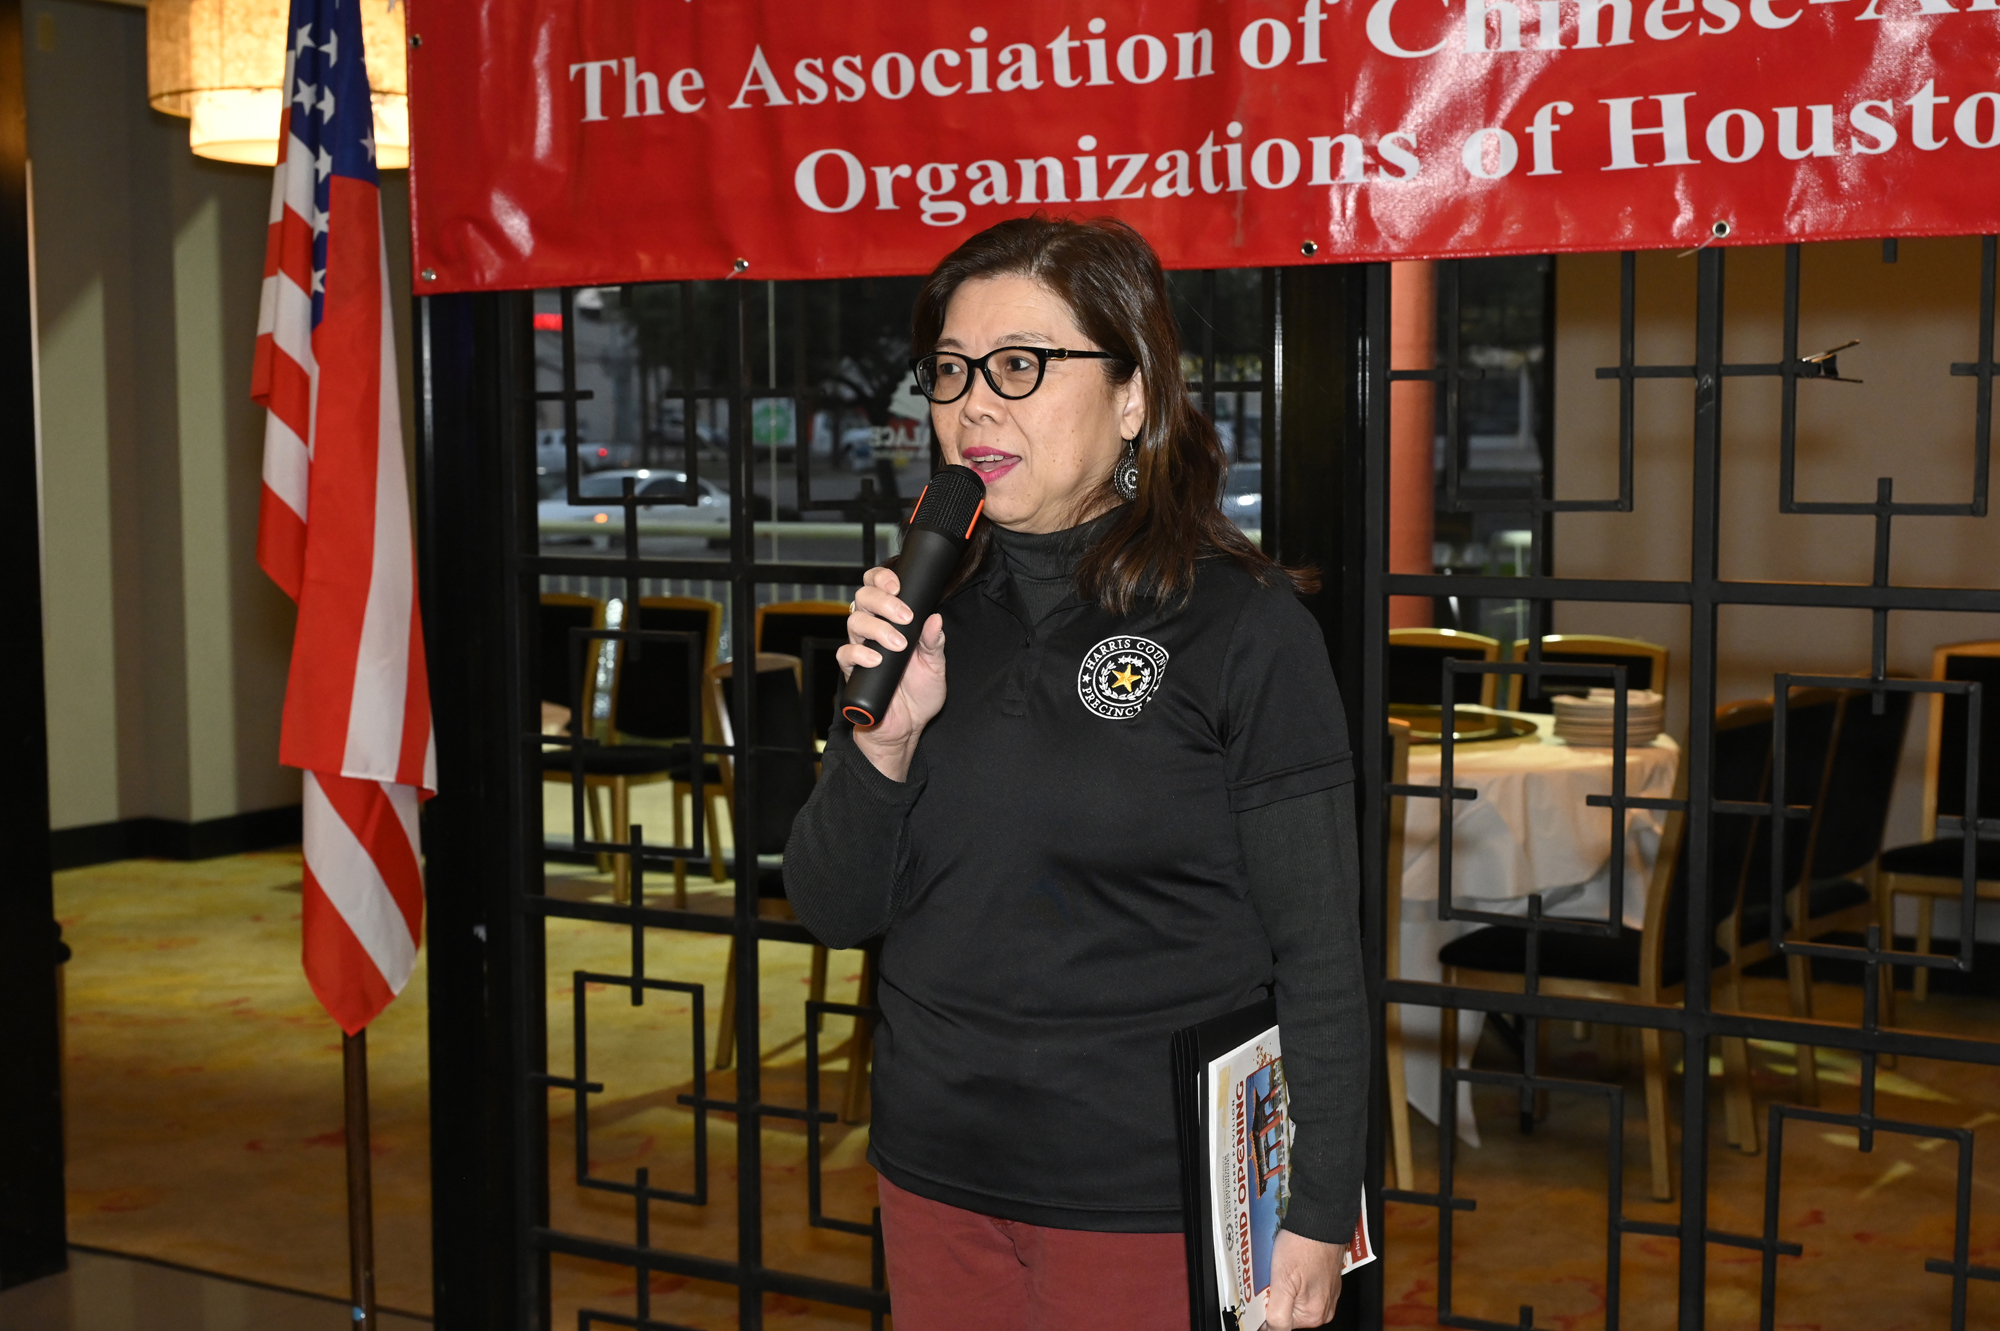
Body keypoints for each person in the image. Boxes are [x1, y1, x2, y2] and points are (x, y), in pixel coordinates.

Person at [783, 214, 1367, 1331]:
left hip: (1145, 1195)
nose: (973, 406)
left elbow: (1319, 950)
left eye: (1019, 365)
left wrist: (1318, 1206)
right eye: (951, 370)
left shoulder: (1241, 626)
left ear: (1133, 393)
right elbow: (831, 906)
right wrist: (880, 746)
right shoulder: (924, 611)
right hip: (934, 1172)